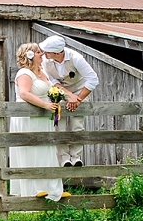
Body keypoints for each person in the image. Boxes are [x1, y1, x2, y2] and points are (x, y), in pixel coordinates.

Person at [9, 43, 71, 201]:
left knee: (47, 150)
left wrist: (57, 100)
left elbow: (50, 90)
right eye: (38, 52)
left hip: (43, 118)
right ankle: (33, 190)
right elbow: (24, 93)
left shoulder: (41, 72)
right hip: (28, 118)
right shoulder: (24, 73)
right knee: (32, 151)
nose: (42, 54)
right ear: (29, 55)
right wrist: (45, 105)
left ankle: (53, 189)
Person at [39, 35, 99, 167]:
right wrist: (68, 95)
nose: (44, 54)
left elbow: (93, 79)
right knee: (59, 125)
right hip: (58, 92)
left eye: (47, 51)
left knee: (77, 125)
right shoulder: (44, 61)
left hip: (79, 92)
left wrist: (77, 99)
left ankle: (76, 157)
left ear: (57, 53)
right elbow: (51, 81)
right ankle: (64, 159)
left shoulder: (76, 58)